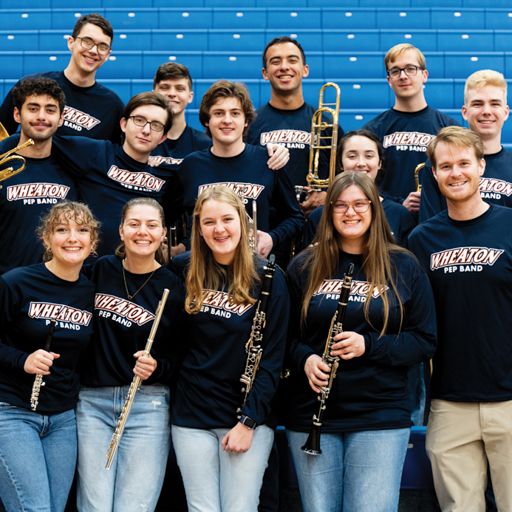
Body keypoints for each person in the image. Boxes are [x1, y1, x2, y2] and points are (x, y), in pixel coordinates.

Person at [285, 172, 436, 512]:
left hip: (379, 414)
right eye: (340, 205)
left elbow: (424, 341)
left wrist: (369, 345)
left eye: (359, 204)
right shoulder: (303, 266)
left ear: (374, 209)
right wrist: (306, 359)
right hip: (312, 414)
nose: (349, 212)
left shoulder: (403, 265)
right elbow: (285, 339)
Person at [408, 126, 512, 511]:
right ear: (433, 173)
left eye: (464, 163)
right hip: (450, 403)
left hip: (510, 401)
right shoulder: (421, 239)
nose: (456, 173)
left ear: (481, 165)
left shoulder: (509, 225)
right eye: (445, 165)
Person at [171, 185, 289, 512]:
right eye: (209, 222)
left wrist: (249, 421)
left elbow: (273, 357)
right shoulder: (182, 269)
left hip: (245, 415)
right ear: (198, 228)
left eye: (227, 219)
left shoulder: (269, 276)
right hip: (191, 414)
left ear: (243, 223)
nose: (219, 229)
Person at [76, 197, 185, 511]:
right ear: (121, 230)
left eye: (151, 225)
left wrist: (157, 367)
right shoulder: (98, 271)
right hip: (92, 403)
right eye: (134, 224)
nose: (143, 232)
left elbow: (180, 357)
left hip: (147, 405)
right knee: (94, 505)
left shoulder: (173, 287)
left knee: (134, 506)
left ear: (163, 233)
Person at [0, 201, 99, 511]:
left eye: (82, 230)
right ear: (46, 238)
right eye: (61, 230)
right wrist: (23, 360)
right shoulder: (16, 282)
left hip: (62, 418)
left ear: (93, 242)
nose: (72, 237)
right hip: (13, 411)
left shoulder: (91, 291)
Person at [43, 91, 183, 256]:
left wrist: (179, 248)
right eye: (139, 120)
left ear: (162, 138)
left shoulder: (166, 174)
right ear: (123, 124)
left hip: (140, 268)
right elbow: (39, 140)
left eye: (156, 125)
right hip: (90, 267)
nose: (146, 130)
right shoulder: (94, 152)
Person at [178, 80, 303, 261]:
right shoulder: (190, 166)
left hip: (253, 268)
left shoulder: (269, 161)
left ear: (246, 121)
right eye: (219, 113)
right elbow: (169, 213)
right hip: (202, 269)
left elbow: (296, 218)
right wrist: (182, 245)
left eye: (235, 113)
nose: (227, 120)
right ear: (207, 120)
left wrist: (272, 238)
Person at [247, 36, 341, 213]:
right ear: (265, 73)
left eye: (292, 60)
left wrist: (328, 194)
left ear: (305, 70)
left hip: (316, 222)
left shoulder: (326, 123)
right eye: (275, 61)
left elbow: (343, 178)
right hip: (268, 226)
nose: (284, 67)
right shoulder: (249, 124)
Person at [0, 13, 123, 142]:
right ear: (71, 43)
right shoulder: (30, 86)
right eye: (87, 41)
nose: (93, 50)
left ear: (108, 54)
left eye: (102, 47)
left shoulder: (113, 106)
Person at [364, 43, 458, 213]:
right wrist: (397, 206)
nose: (403, 76)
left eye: (410, 69)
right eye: (395, 71)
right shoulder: (372, 130)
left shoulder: (449, 128)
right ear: (389, 80)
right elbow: (366, 181)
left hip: (438, 218)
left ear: (424, 75)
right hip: (388, 220)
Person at [0, 76, 78, 274]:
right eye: (33, 108)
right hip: (6, 288)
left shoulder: (76, 168)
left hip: (57, 291)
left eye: (50, 110)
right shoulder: (3, 167)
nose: (42, 116)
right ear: (17, 114)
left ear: (61, 118)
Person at [420, 69, 512, 221]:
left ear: (506, 112)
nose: (486, 111)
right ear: (464, 112)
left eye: (495, 104)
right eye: (477, 104)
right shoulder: (440, 165)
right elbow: (430, 229)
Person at [305, 130, 416, 248]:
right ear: (341, 164)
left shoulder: (400, 215)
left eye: (369, 156)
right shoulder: (318, 216)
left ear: (379, 163)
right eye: (352, 156)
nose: (361, 163)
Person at [149, 62, 211, 166]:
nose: (172, 94)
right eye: (165, 87)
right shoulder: (141, 138)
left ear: (190, 97)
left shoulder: (204, 144)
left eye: (180, 89)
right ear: (154, 94)